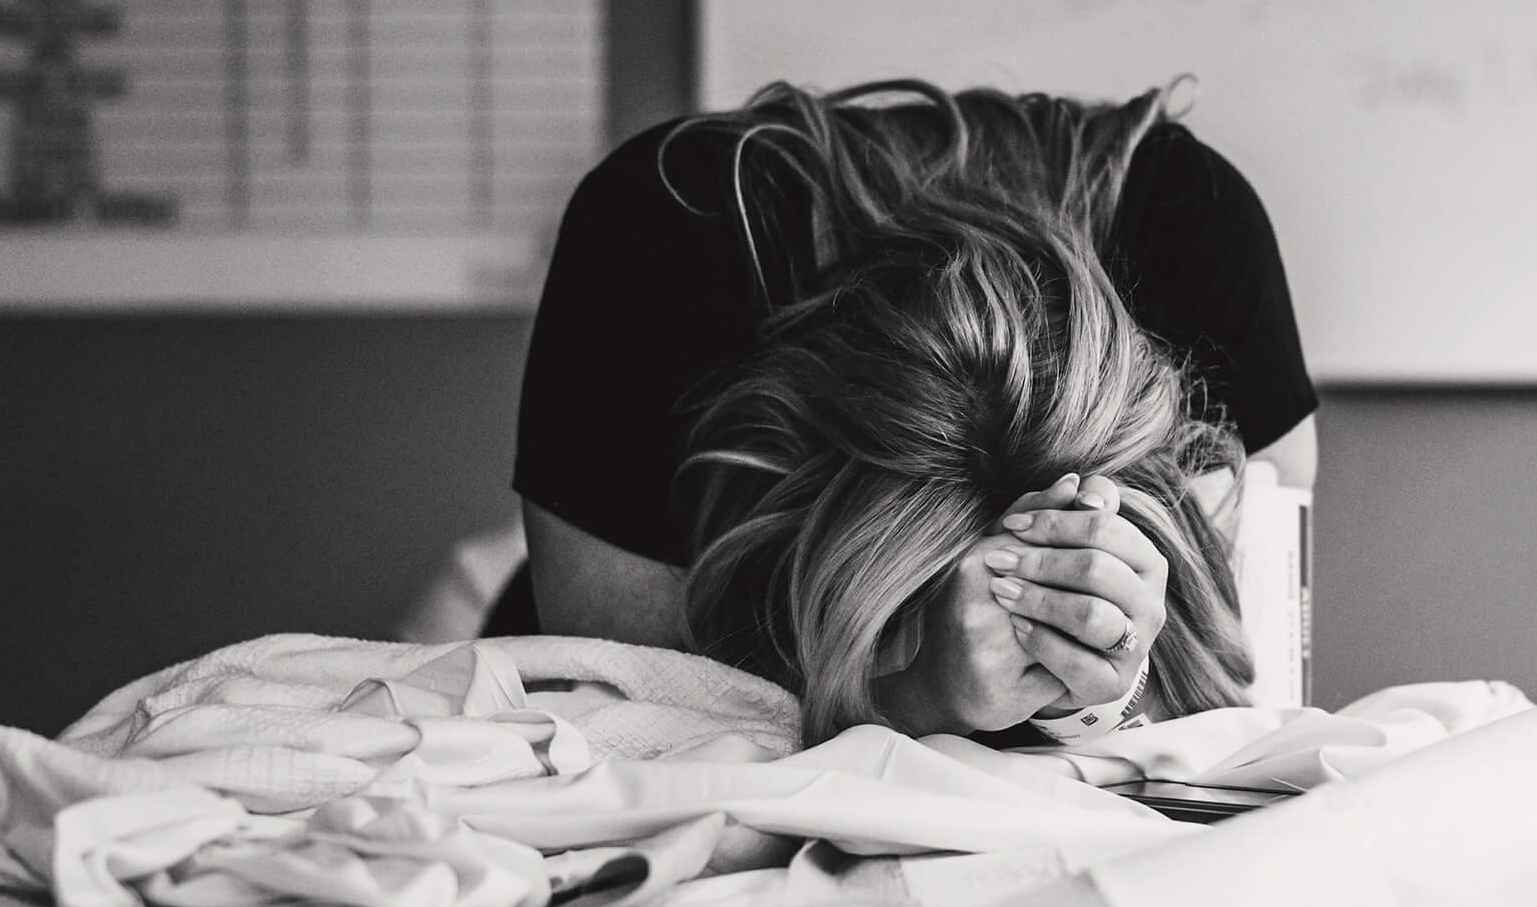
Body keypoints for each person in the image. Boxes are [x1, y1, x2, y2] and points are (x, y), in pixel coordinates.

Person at [499, 79, 1318, 738]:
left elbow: (1246, 688)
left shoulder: (1196, 238)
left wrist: (1098, 695)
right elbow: (636, 717)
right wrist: (908, 696)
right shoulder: (656, 237)